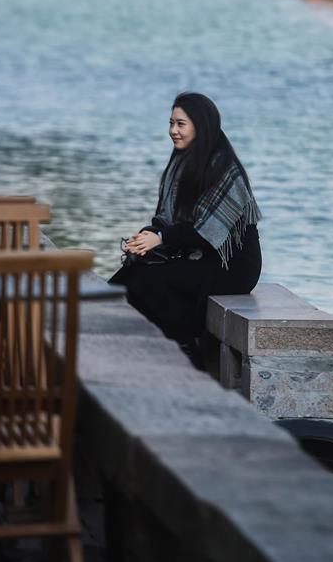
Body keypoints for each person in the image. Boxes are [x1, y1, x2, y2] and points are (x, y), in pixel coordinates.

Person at [110, 92, 262, 368]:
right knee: (126, 278)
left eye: (181, 124)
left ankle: (187, 353)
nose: (173, 131)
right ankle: (134, 353)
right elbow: (167, 220)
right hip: (197, 254)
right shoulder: (181, 162)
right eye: (171, 123)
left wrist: (162, 238)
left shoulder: (223, 168)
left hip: (231, 265)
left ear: (201, 126)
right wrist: (145, 237)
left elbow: (207, 233)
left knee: (152, 281)